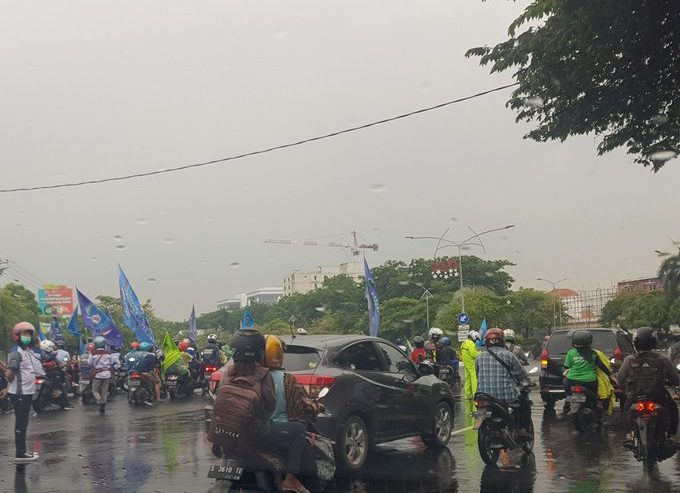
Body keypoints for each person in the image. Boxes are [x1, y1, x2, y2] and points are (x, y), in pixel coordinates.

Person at [263, 335, 322, 492]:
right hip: (279, 436)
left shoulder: (247, 378)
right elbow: (303, 407)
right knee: (309, 462)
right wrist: (316, 407)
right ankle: (292, 479)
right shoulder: (288, 380)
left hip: (248, 436)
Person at [618, 327, 680, 445]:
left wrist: (624, 388)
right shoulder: (662, 359)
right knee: (673, 409)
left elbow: (620, 380)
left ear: (635, 343)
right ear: (654, 342)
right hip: (658, 397)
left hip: (635, 397)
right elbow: (675, 380)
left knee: (625, 410)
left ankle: (629, 435)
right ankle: (671, 436)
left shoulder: (629, 360)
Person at [475, 328, 532, 436]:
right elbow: (521, 375)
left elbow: (478, 374)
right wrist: (528, 382)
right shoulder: (509, 355)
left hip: (483, 396)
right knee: (525, 406)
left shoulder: (479, 357)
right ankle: (523, 431)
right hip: (505, 396)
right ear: (502, 340)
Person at [2, 322, 44, 463]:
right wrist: (9, 383)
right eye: (24, 334)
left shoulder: (27, 351)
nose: (27, 336)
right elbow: (10, 374)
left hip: (25, 392)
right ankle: (20, 453)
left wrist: (8, 388)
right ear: (17, 336)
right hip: (20, 393)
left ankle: (22, 451)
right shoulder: (16, 353)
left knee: (23, 422)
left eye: (29, 334)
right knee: (21, 423)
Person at [563, 330, 616, 410]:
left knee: (565, 383)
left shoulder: (571, 353)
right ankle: (598, 402)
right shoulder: (594, 353)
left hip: (572, 380)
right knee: (595, 394)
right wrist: (611, 375)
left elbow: (566, 366)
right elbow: (602, 366)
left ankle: (569, 400)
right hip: (590, 381)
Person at [88, 336, 114, 414]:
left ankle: (100, 401)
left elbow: (89, 363)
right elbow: (111, 363)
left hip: (97, 375)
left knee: (95, 391)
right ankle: (104, 403)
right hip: (107, 374)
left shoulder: (93, 354)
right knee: (104, 391)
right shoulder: (108, 353)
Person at [461, 330, 481, 399]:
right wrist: (480, 353)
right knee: (474, 379)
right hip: (471, 364)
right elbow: (474, 354)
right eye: (476, 339)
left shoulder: (464, 342)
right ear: (474, 337)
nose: (476, 341)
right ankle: (475, 393)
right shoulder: (471, 344)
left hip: (466, 363)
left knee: (467, 379)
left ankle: (468, 394)